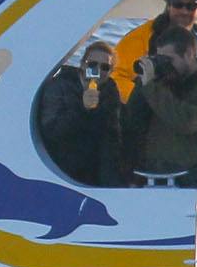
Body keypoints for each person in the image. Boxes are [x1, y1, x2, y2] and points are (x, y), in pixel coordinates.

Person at [121, 21, 197, 187]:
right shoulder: (160, 83)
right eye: (159, 58)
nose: (165, 65)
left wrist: (151, 86)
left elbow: (188, 121)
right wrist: (143, 84)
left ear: (189, 54)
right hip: (154, 176)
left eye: (168, 59)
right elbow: (131, 122)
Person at [34, 37, 130, 185]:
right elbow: (51, 131)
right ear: (82, 64)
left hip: (95, 168)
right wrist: (82, 108)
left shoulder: (109, 90)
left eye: (105, 67)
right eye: (92, 64)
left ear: (111, 71)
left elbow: (113, 136)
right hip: (62, 168)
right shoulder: (60, 86)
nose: (98, 70)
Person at [111, 0, 197, 88]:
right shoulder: (143, 37)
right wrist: (146, 99)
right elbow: (116, 76)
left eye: (191, 6)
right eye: (178, 4)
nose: (184, 11)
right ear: (169, 6)